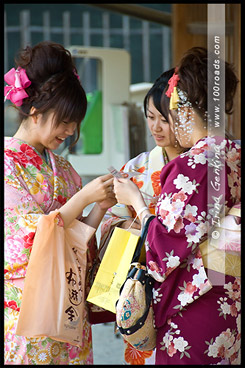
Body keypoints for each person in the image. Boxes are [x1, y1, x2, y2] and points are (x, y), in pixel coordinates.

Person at [113, 47, 241, 365]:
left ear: (182, 109)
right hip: (228, 297)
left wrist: (136, 203)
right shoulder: (234, 154)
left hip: (194, 302)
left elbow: (163, 249)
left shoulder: (194, 163)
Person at [4, 41, 116, 365]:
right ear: (35, 111)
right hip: (27, 312)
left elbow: (77, 243)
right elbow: (20, 243)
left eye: (75, 122)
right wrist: (83, 198)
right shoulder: (8, 164)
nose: (70, 130)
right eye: (65, 120)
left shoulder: (65, 171)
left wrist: (101, 207)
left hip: (70, 313)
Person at [99, 68, 186, 365]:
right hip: (143, 285)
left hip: (186, 283)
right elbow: (110, 221)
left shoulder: (199, 170)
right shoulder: (138, 167)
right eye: (151, 117)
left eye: (165, 119)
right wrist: (134, 225)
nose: (156, 127)